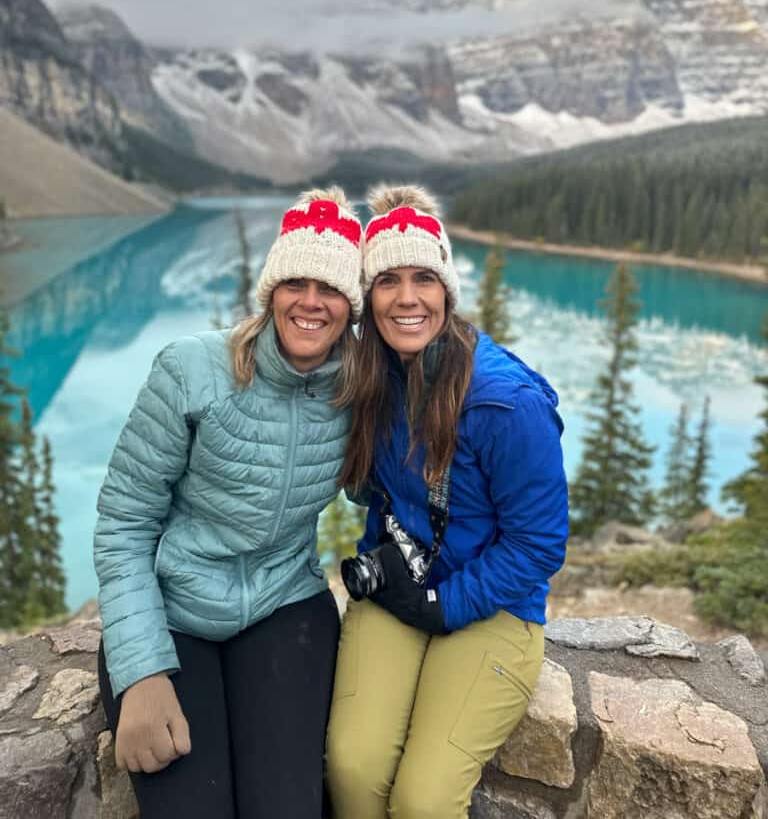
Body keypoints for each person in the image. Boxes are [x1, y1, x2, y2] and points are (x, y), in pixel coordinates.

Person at [94, 188, 363, 819]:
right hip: (175, 611)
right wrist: (140, 672)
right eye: (294, 281)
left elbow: (394, 477)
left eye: (329, 288)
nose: (311, 301)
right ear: (271, 291)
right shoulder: (191, 370)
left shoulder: (360, 387)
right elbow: (124, 523)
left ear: (349, 305)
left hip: (285, 605)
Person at [325, 185, 569, 819]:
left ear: (447, 292)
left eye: (424, 279)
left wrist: (444, 605)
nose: (407, 298)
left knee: (424, 800)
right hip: (400, 587)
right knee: (351, 770)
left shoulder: (504, 402)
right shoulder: (375, 377)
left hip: (492, 607)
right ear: (368, 297)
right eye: (388, 281)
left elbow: (538, 544)